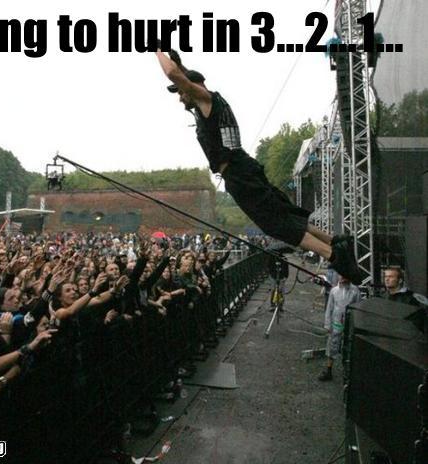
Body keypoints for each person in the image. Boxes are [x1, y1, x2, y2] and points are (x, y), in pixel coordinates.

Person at [155, 47, 361, 285]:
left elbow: (173, 74)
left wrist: (156, 49)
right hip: (244, 166)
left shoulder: (205, 100)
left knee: (275, 223)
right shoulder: (212, 100)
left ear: (194, 87)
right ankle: (335, 241)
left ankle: (334, 256)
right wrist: (180, 64)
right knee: (282, 211)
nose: (180, 98)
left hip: (237, 173)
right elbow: (183, 75)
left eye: (181, 92)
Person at [318, 275, 361, 381]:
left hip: (349, 324)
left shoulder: (355, 291)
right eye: (341, 276)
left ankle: (347, 372)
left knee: (348, 347)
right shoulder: (334, 291)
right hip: (336, 323)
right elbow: (329, 308)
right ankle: (329, 370)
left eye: (344, 276)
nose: (342, 278)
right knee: (332, 345)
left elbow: (358, 309)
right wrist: (328, 324)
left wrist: (356, 325)